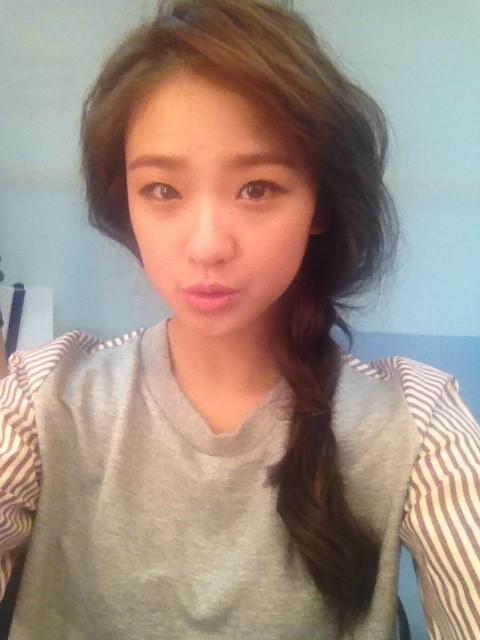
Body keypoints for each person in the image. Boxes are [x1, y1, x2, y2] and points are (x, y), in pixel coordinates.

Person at [0, 1, 478, 638]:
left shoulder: (416, 425)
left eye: (257, 188)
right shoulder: (43, 398)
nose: (206, 247)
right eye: (162, 190)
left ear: (319, 205)